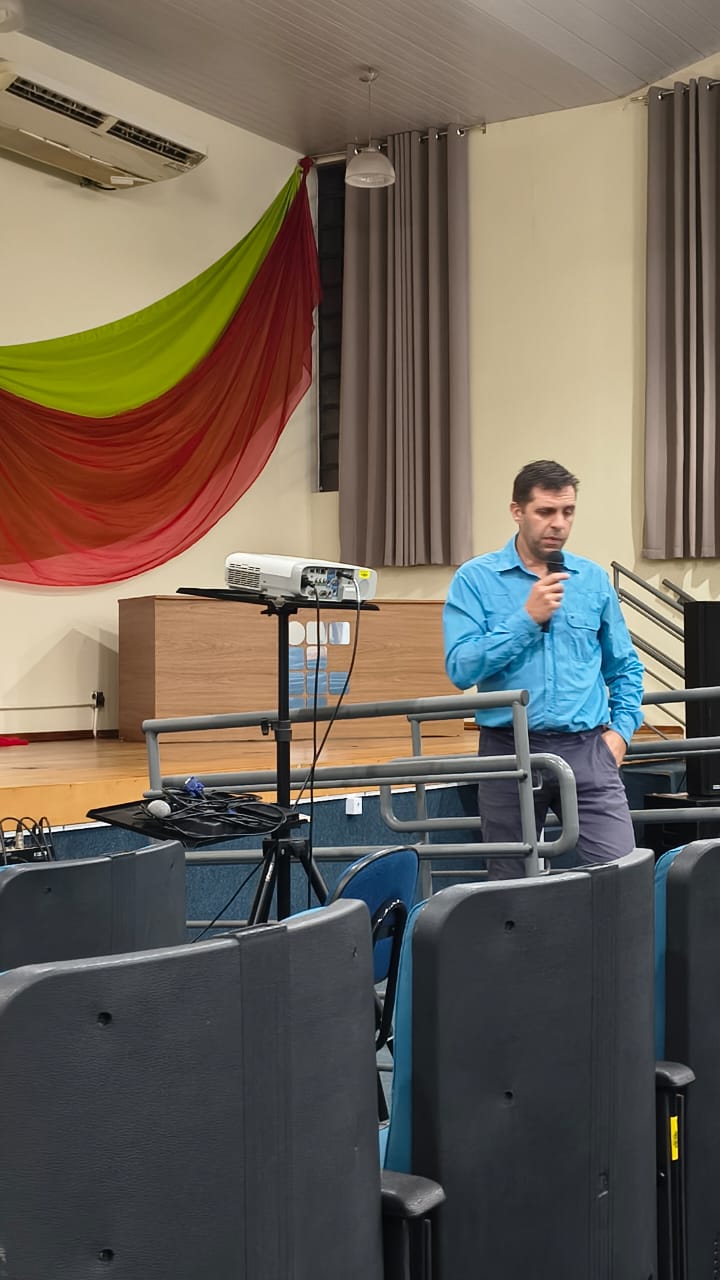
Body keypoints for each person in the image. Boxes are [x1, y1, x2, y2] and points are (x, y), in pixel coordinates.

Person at [442, 459, 644, 879]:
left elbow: (624, 666)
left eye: (568, 512)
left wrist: (621, 733)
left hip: (588, 749)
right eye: (546, 511)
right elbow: (461, 668)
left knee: (621, 877)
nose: (559, 524)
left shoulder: (591, 579)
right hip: (507, 751)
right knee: (512, 888)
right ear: (517, 511)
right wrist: (526, 619)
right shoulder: (475, 579)